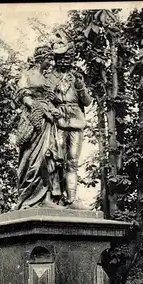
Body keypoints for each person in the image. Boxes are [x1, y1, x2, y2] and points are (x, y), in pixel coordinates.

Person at [15, 45, 65, 210]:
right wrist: (40, 107)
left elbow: (52, 100)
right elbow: (24, 97)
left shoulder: (46, 79)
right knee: (31, 159)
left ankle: (46, 197)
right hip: (33, 121)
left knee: (48, 157)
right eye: (49, 59)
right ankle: (27, 199)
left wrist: (53, 106)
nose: (51, 63)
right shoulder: (26, 75)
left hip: (48, 122)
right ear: (40, 58)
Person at [48, 34, 92, 209]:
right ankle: (56, 196)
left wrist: (80, 87)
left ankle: (71, 198)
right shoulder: (49, 77)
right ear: (55, 60)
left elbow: (87, 102)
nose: (64, 62)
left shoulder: (76, 77)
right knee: (57, 159)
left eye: (67, 58)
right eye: (60, 58)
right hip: (56, 120)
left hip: (75, 121)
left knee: (72, 161)